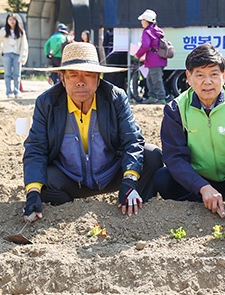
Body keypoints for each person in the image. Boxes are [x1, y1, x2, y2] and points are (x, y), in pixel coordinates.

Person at [22, 42, 163, 222]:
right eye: (73, 75)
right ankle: (68, 205)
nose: (80, 81)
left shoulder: (115, 97)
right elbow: (36, 148)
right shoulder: (47, 103)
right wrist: (32, 193)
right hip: (70, 179)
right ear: (62, 79)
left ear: (98, 78)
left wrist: (129, 180)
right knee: (42, 180)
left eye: (88, 74)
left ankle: (133, 199)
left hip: (112, 173)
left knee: (152, 155)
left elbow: (132, 141)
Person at [154, 43, 225, 228]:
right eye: (200, 75)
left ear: (223, 75)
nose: (207, 81)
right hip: (198, 179)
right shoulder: (175, 109)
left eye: (214, 74)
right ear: (188, 78)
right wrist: (202, 186)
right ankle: (200, 200)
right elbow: (174, 157)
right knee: (162, 178)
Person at [134, 9, 167, 104]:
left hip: (153, 59)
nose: (141, 22)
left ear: (146, 20)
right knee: (150, 78)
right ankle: (152, 96)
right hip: (160, 59)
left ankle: (161, 98)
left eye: (142, 20)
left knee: (156, 80)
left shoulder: (147, 31)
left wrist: (137, 55)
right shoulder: (157, 30)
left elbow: (145, 45)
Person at [0, 13, 28, 98]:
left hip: (17, 54)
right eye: (10, 19)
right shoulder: (3, 31)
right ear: (7, 21)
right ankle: (8, 92)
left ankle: (17, 91)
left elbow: (24, 45)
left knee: (17, 74)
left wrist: (23, 56)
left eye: (14, 19)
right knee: (7, 74)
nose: (12, 21)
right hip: (7, 54)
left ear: (16, 21)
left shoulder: (20, 31)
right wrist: (2, 51)